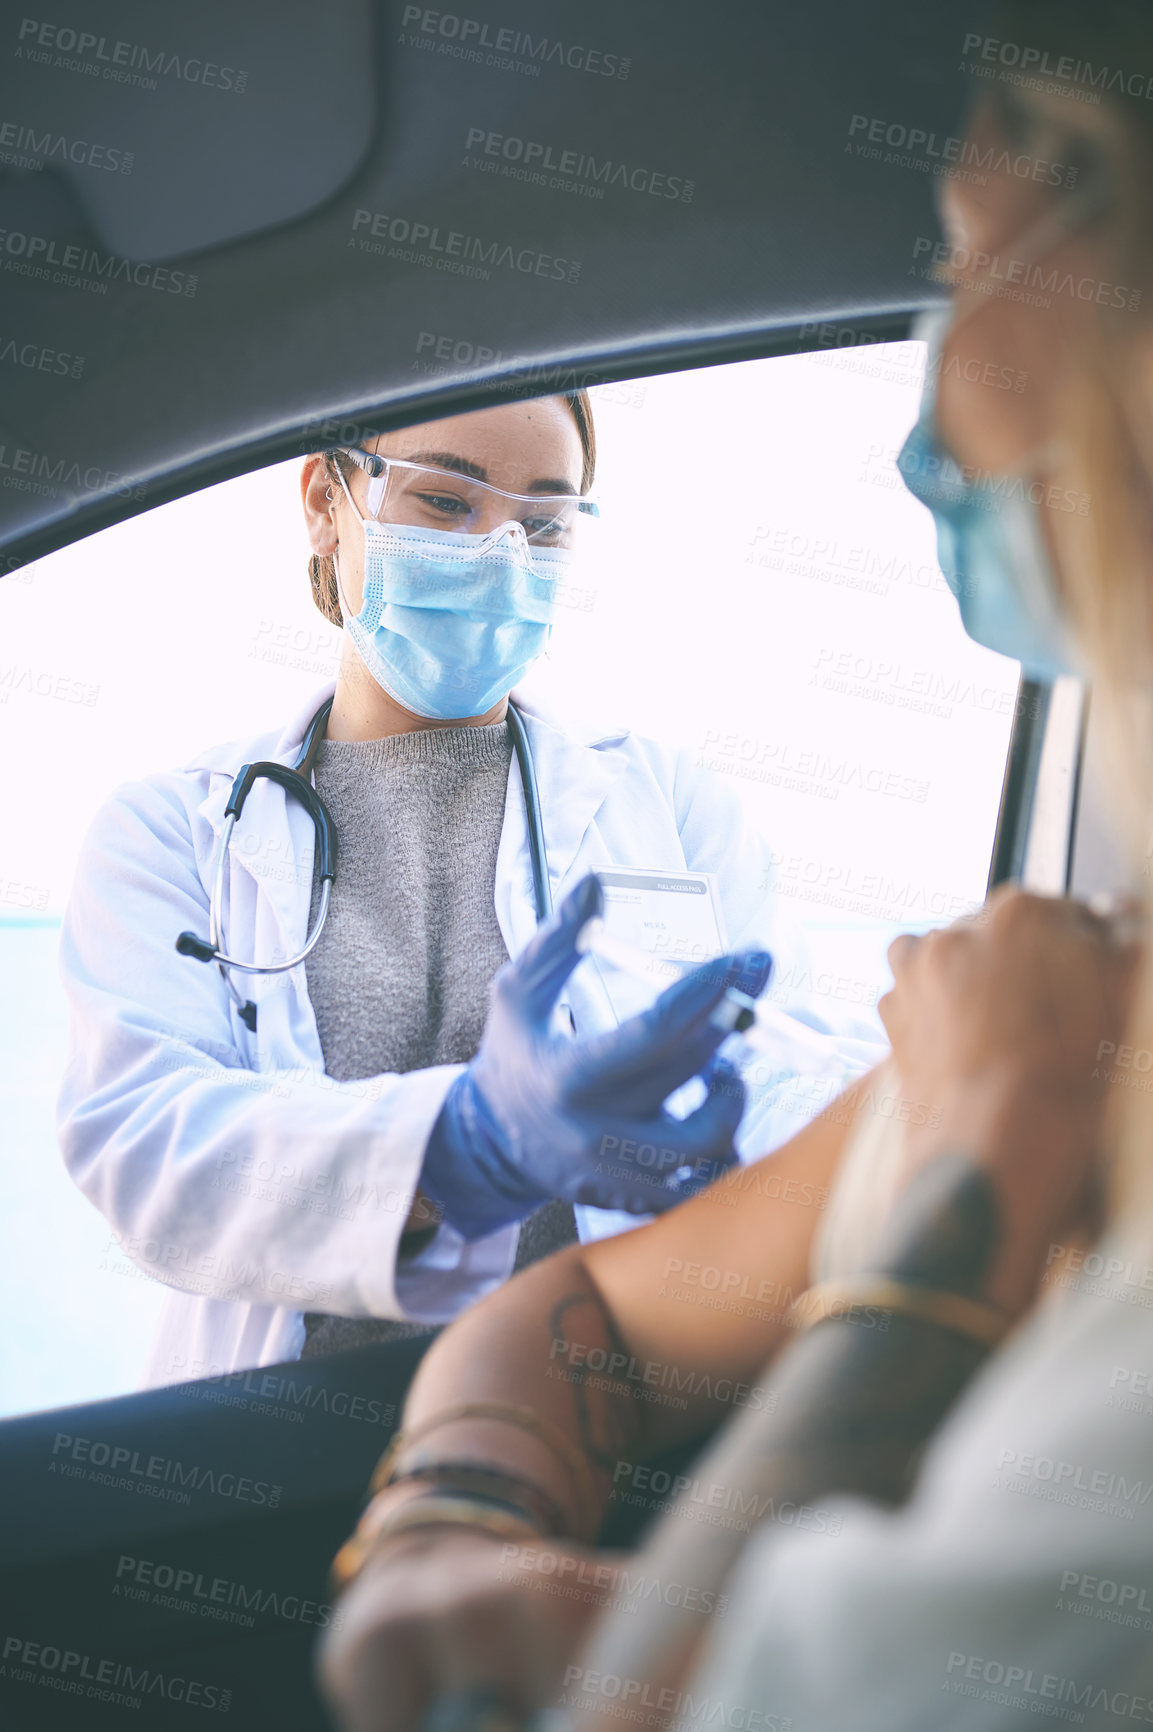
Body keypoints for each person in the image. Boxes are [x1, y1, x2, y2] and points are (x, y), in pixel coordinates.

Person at [317, 4, 1153, 1727]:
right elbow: (571, 1320)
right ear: (323, 514)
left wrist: (968, 1183)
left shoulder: (1010, 1072)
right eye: (449, 502)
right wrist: (443, 1536)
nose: (949, 367)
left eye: (952, 249)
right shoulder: (1064, 993)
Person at [56, 388, 869, 1390]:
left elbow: (788, 1074)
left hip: (602, 1410)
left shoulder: (668, 802)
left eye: (541, 522)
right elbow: (149, 1152)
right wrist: (460, 1147)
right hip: (274, 1434)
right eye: (446, 503)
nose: (498, 554)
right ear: (326, 500)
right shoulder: (170, 828)